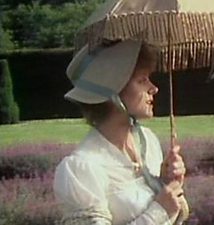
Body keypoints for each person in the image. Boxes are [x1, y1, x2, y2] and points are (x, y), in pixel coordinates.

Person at [53, 39, 189, 225]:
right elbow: (159, 212)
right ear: (113, 91)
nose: (154, 88)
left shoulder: (148, 141)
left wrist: (168, 183)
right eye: (142, 80)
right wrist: (158, 212)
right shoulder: (83, 168)